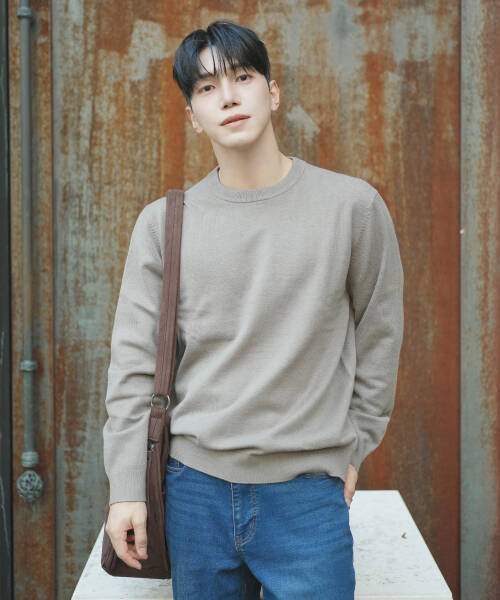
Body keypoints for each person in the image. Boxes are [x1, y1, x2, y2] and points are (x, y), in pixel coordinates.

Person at [103, 19, 404, 599]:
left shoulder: (352, 208)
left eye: (242, 77)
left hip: (307, 492)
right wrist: (126, 487)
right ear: (193, 115)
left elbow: (380, 335)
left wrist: (354, 447)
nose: (228, 96)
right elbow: (134, 363)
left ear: (273, 92)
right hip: (193, 491)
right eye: (207, 87)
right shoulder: (165, 223)